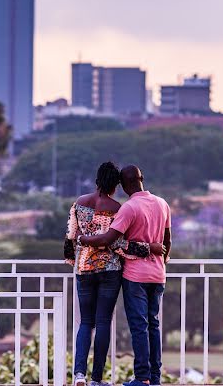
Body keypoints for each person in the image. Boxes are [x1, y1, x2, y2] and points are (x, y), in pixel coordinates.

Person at [65, 161, 166, 386]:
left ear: (97, 179)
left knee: (85, 323)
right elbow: (119, 244)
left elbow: (70, 236)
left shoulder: (79, 204)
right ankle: (96, 379)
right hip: (111, 270)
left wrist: (76, 259)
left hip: (84, 268)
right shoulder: (118, 207)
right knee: (103, 323)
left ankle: (79, 374)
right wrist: (152, 249)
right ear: (115, 184)